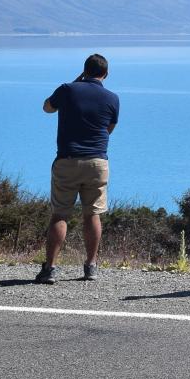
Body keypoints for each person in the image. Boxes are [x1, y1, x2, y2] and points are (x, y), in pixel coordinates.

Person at [36, 53, 120, 284]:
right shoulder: (112, 98)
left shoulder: (68, 89)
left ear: (84, 71)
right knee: (92, 214)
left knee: (60, 214)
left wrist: (75, 82)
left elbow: (47, 108)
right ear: (106, 74)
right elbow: (108, 129)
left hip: (67, 160)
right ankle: (90, 266)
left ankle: (50, 268)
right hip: (97, 162)